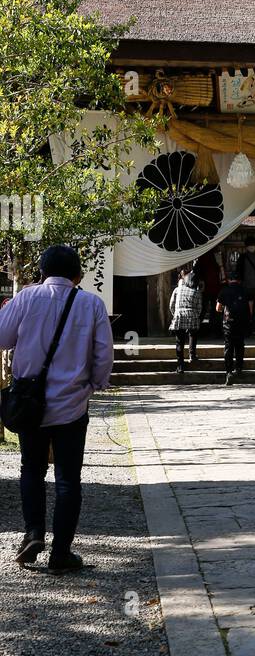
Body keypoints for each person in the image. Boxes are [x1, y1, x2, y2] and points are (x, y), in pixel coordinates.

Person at [0, 244, 113, 573]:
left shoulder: (26, 297)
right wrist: (94, 384)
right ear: (78, 275)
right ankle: (61, 553)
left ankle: (33, 532)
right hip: (72, 404)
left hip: (29, 403)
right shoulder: (91, 304)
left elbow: (3, 338)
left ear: (42, 272)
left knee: (31, 469)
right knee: (68, 478)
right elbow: (103, 354)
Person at [216, 262, 253, 386]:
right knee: (240, 345)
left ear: (229, 279)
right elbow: (250, 309)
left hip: (228, 323)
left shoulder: (224, 291)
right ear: (239, 280)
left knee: (228, 346)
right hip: (242, 321)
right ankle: (239, 368)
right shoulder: (245, 290)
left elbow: (218, 308)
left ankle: (229, 371)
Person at [169, 265, 202, 376]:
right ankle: (192, 355)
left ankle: (180, 365)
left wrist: (175, 314)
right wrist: (194, 315)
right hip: (192, 315)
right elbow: (199, 308)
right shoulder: (197, 292)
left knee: (179, 341)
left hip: (179, 315)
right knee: (193, 333)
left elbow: (171, 305)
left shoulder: (177, 290)